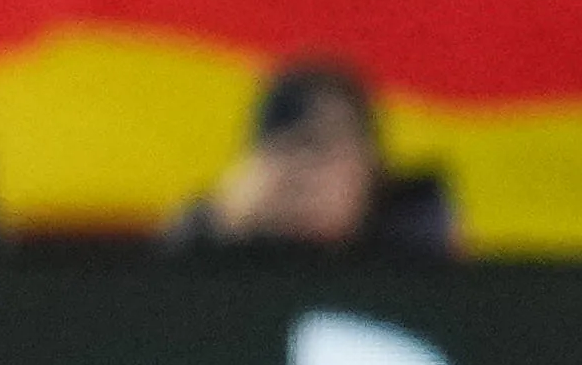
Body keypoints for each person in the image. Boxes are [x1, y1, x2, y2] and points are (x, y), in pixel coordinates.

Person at [167, 57, 457, 257]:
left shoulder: (414, 241)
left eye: (327, 145)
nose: (308, 175)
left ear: (371, 165)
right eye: (291, 149)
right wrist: (220, 225)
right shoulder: (221, 234)